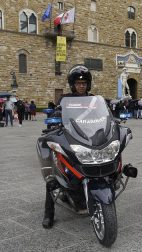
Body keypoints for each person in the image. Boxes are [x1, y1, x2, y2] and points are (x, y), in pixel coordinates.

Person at [42, 64, 93, 229]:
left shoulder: (93, 100)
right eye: (78, 83)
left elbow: (104, 115)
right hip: (71, 139)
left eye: (84, 83)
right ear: (73, 85)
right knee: (55, 175)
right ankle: (48, 214)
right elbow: (57, 114)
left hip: (90, 139)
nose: (81, 86)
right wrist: (54, 123)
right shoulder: (65, 100)